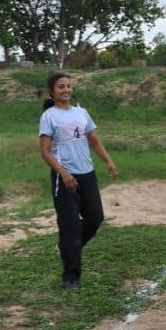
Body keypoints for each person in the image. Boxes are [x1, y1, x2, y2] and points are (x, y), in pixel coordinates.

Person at [39, 72, 118, 290]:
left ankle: (68, 247)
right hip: (65, 178)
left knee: (95, 218)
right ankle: (71, 277)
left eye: (68, 86)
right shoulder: (49, 116)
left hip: (87, 174)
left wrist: (109, 161)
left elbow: (94, 140)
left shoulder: (82, 113)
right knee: (70, 227)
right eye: (61, 87)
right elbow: (45, 152)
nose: (66, 90)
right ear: (52, 92)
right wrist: (63, 173)